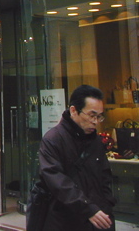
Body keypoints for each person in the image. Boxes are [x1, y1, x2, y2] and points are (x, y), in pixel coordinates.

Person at [33, 85, 116, 230]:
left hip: (98, 218)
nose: (95, 121)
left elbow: (104, 177)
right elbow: (56, 180)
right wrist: (87, 208)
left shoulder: (95, 140)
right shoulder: (53, 139)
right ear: (73, 111)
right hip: (64, 219)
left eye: (99, 116)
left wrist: (106, 206)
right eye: (91, 115)